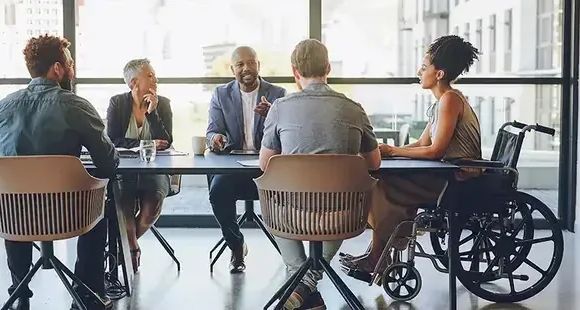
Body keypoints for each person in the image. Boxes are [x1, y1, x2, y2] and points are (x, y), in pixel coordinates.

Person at [0, 35, 118, 310]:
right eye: (70, 63)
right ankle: (87, 295)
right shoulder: (75, 106)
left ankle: (20, 293)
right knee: (101, 204)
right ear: (57, 68)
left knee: (13, 199)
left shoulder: (1, 107)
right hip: (69, 214)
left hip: (14, 217)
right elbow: (109, 162)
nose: (73, 68)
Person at [341, 35, 482, 274]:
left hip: (458, 179)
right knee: (382, 181)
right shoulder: (442, 102)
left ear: (439, 74)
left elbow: (436, 151)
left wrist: (394, 150)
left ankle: (378, 256)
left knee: (381, 185)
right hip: (448, 174)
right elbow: (421, 143)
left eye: (425, 67)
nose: (419, 71)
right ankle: (380, 253)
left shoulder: (450, 99)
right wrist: (389, 152)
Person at [258, 39, 382, 310]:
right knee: (343, 194)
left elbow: (265, 164)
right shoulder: (354, 108)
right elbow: (374, 162)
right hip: (342, 214)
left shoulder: (280, 107)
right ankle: (307, 289)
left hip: (289, 215)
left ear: (294, 72)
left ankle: (301, 282)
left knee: (271, 191)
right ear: (328, 67)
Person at [206, 46, 287, 273]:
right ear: (233, 69)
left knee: (289, 191)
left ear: (259, 65)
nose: (246, 68)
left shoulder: (277, 94)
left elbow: (289, 133)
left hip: (268, 166)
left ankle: (291, 253)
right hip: (233, 165)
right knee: (217, 191)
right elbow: (212, 131)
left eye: (251, 63)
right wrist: (217, 139)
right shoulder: (221, 94)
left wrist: (273, 114)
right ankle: (236, 245)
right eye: (240, 64)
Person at [106, 58, 173, 273]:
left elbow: (166, 141)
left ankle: (123, 245)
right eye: (150, 75)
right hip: (123, 169)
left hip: (155, 169)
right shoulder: (117, 103)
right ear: (134, 83)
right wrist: (145, 144)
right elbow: (112, 140)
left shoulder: (163, 103)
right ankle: (132, 247)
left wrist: (152, 113)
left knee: (152, 205)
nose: (156, 79)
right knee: (123, 202)